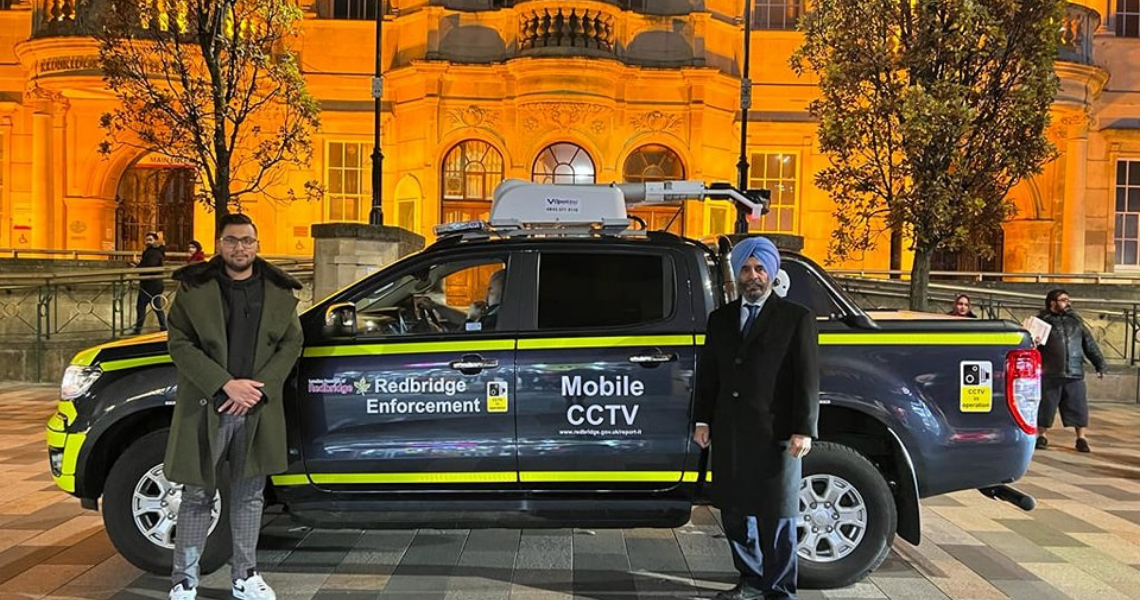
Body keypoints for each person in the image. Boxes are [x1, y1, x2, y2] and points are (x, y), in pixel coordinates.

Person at [164, 213, 303, 600]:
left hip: (255, 408)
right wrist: (225, 384)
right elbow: (179, 343)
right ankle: (184, 580)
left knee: (249, 494)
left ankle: (245, 575)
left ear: (257, 245)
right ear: (219, 244)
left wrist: (257, 389)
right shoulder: (194, 288)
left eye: (247, 241)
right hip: (209, 405)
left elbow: (292, 344)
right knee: (196, 495)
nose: (239, 248)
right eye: (231, 240)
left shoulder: (277, 290)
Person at [693, 237, 820, 600]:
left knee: (777, 517)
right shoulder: (720, 320)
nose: (753, 276)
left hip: (777, 436)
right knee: (735, 513)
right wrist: (703, 420)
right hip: (731, 433)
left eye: (760, 269)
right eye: (746, 269)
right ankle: (750, 580)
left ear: (772, 272)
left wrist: (803, 429)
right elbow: (710, 375)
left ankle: (779, 589)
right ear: (738, 274)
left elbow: (808, 377)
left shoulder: (796, 318)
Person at [1035, 288, 1106, 453]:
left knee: (1078, 407)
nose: (1068, 303)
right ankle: (1042, 435)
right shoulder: (1042, 321)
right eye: (1063, 300)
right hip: (1050, 371)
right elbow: (1030, 345)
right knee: (1046, 406)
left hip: (1074, 371)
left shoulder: (1076, 322)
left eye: (1068, 300)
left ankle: (1081, 438)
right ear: (1053, 302)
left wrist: (1099, 364)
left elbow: (1089, 344)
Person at [132, 231, 167, 334]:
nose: (148, 242)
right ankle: (163, 327)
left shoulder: (152, 252)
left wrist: (138, 265)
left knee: (141, 307)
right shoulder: (155, 251)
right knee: (156, 306)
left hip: (150, 284)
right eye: (146, 240)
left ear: (155, 240)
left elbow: (150, 267)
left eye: (150, 240)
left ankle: (138, 330)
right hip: (154, 283)